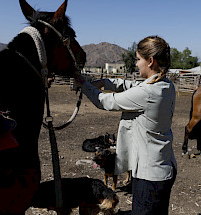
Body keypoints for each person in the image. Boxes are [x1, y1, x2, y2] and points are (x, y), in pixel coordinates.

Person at [75, 35, 177, 215]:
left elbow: (105, 102)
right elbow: (133, 85)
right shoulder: (165, 85)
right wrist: (106, 82)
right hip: (162, 167)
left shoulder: (148, 93)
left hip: (149, 175)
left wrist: (83, 84)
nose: (136, 64)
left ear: (150, 61)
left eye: (138, 60)